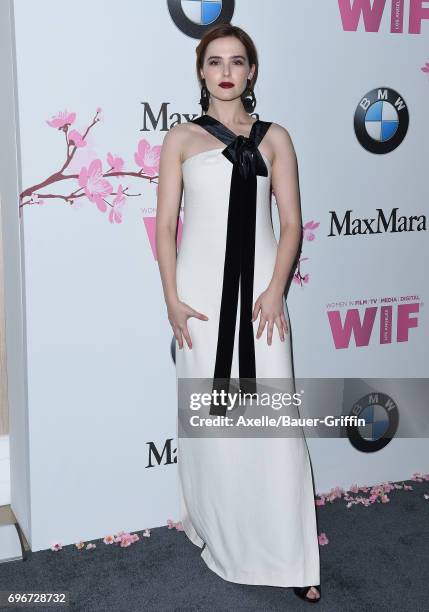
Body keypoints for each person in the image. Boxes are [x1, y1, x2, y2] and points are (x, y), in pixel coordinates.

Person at [156, 23, 321, 604]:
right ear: (201, 72)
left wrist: (276, 290)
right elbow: (166, 227)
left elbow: (292, 223)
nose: (226, 71)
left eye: (238, 61)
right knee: (216, 429)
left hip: (261, 304)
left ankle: (293, 555)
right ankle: (220, 533)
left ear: (251, 73)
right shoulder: (179, 139)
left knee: (275, 428)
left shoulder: (277, 138)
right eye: (215, 61)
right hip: (199, 304)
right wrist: (172, 299)